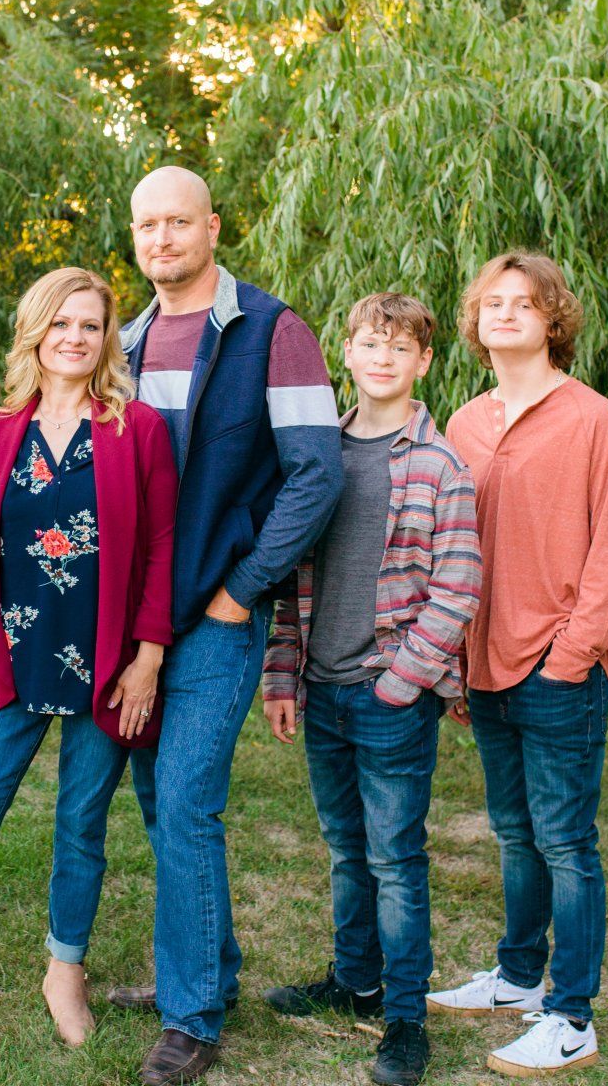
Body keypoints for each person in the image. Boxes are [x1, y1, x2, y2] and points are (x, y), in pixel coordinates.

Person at [0, 267, 177, 1049]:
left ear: (106, 338)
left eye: (90, 325)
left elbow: (161, 546)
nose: (75, 338)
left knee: (82, 825)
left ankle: (64, 972)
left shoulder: (137, 429)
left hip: (105, 663)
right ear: (35, 334)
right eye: (61, 323)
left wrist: (148, 657)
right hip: (11, 659)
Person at [110, 165, 342, 1085]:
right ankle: (203, 969)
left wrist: (242, 590)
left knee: (186, 801)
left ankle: (193, 1016)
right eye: (147, 225)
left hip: (216, 612)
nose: (162, 239)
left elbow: (316, 473)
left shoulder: (274, 333)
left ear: (212, 227)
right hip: (135, 620)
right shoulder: (123, 341)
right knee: (158, 803)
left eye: (178, 222)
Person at [427, 251, 608, 1078]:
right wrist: (457, 657)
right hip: (483, 665)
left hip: (558, 665)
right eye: (492, 303)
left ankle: (571, 1016)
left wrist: (570, 657)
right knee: (515, 833)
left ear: (554, 320)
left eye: (524, 302)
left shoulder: (594, 421)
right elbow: (452, 550)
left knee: (565, 842)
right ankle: (518, 977)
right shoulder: (464, 424)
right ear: (475, 324)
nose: (506, 313)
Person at [261, 292, 482, 1086]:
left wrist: (403, 680)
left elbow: (458, 585)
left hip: (391, 694)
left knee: (395, 857)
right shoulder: (320, 456)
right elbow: (292, 577)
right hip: (321, 688)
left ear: (424, 361)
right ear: (346, 354)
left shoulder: (440, 465)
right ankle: (354, 981)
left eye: (399, 347)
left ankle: (405, 1018)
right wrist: (283, 673)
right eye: (369, 343)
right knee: (346, 850)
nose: (382, 357)